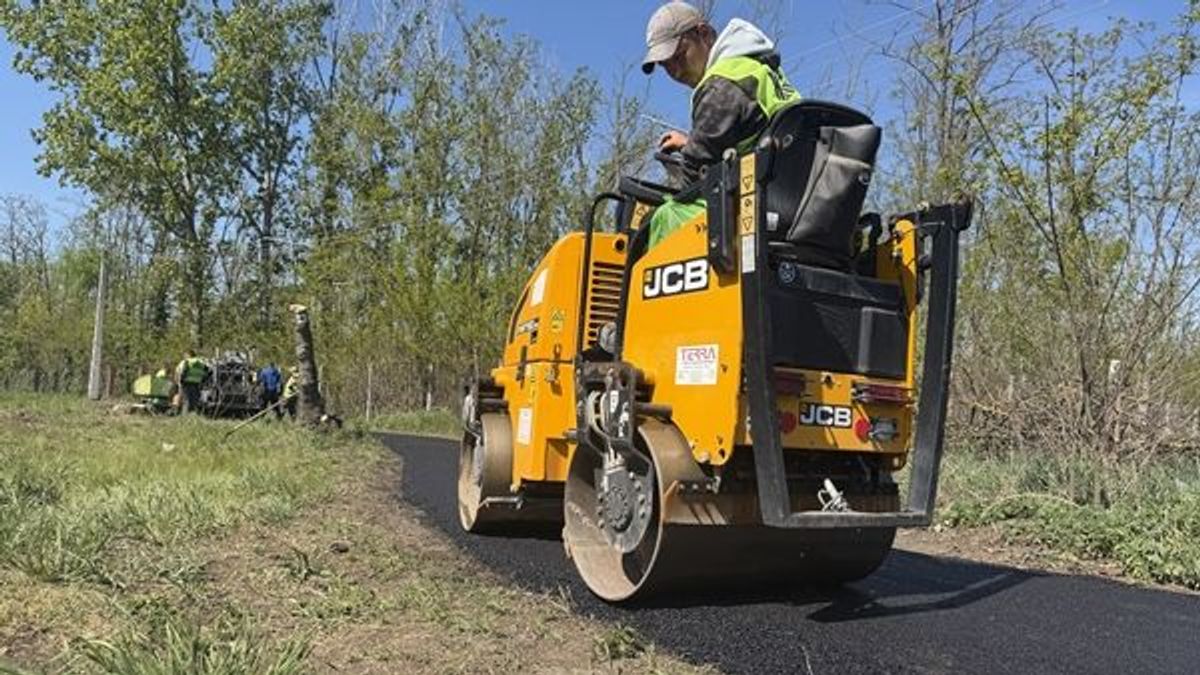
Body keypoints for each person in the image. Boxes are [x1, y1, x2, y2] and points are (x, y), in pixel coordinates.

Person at [641, 2, 800, 247]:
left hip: (754, 210)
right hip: (787, 201)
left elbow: (693, 178)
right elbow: (752, 133)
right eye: (665, 65)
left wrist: (687, 160)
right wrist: (689, 143)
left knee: (661, 218)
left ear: (703, 33)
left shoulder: (721, 85)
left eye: (678, 56)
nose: (675, 71)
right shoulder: (757, 70)